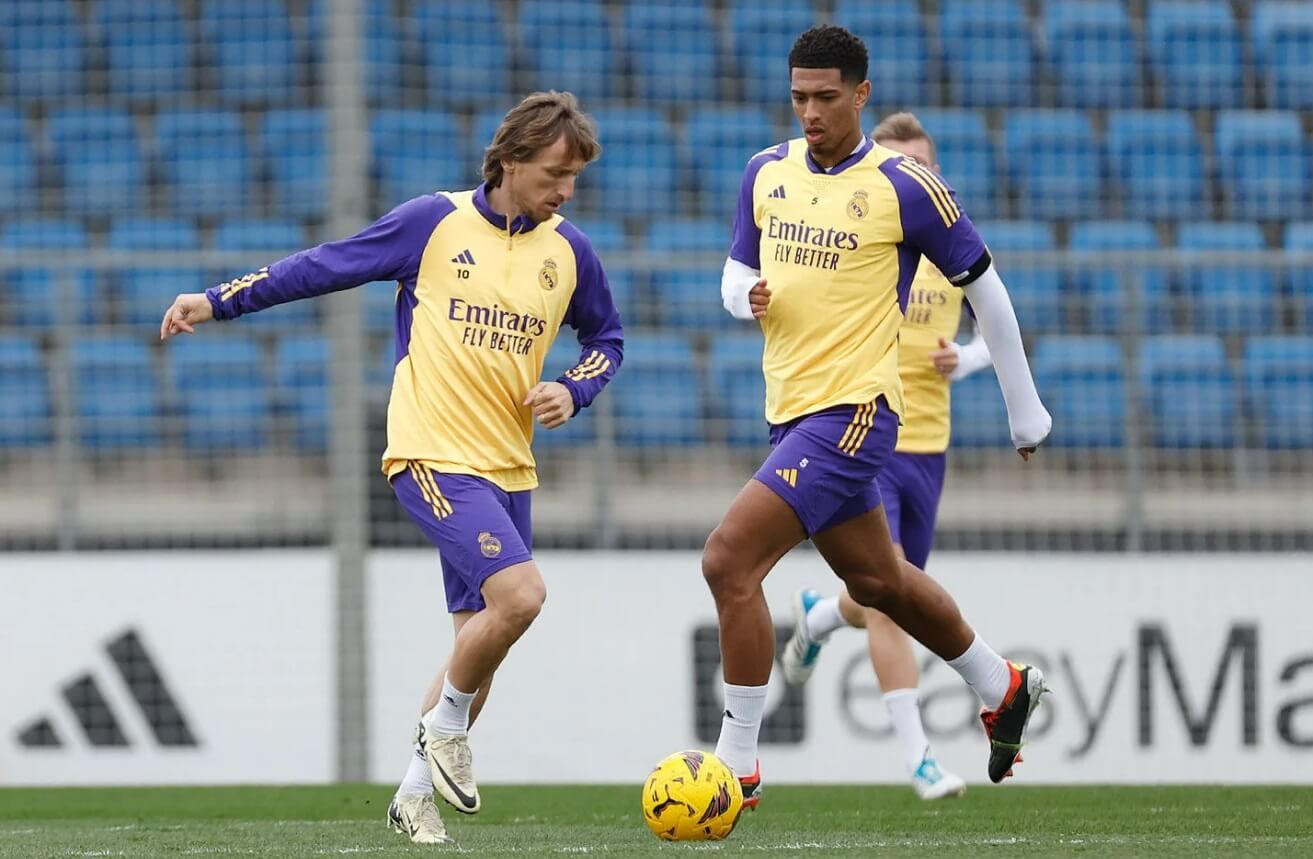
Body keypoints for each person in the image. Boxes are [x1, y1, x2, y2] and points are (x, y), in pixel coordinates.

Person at [159, 92, 623, 845]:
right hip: (432, 453)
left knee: (484, 637)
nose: (565, 190)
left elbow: (608, 338)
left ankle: (413, 793)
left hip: (509, 468)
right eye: (554, 172)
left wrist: (574, 387)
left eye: (573, 177)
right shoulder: (431, 223)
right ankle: (442, 735)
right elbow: (321, 267)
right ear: (508, 161)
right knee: (523, 595)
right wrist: (216, 300)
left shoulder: (570, 250)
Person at [709, 25, 1051, 808]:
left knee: (727, 560)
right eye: (799, 97)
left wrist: (1022, 411)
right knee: (881, 581)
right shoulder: (765, 171)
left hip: (856, 411)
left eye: (826, 97)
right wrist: (742, 297)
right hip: (789, 411)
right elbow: (733, 272)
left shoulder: (904, 185)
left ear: (860, 95)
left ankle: (736, 764)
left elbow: (986, 291)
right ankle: (1002, 684)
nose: (810, 112)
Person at [777, 112, 994, 800]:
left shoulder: (950, 245)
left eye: (920, 166)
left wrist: (967, 358)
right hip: (863, 434)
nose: (908, 177)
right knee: (888, 601)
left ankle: (817, 616)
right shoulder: (856, 239)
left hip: (929, 448)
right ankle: (920, 758)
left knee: (883, 589)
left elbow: (1000, 329)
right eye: (897, 164)